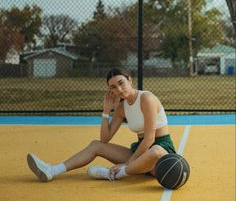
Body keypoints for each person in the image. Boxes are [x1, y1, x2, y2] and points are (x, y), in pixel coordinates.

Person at [27, 68, 176, 182]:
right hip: (139, 152)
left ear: (130, 80)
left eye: (121, 83)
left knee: (155, 151)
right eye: (113, 87)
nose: (118, 89)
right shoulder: (121, 108)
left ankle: (115, 174)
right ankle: (52, 170)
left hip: (160, 149)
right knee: (95, 145)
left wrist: (126, 163)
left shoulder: (146, 98)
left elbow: (149, 139)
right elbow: (105, 139)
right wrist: (106, 111)